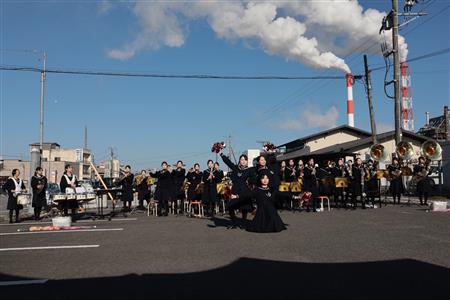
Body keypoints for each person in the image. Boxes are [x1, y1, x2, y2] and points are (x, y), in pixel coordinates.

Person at [220, 153, 255, 228]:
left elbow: (253, 178)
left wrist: (251, 182)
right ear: (239, 160)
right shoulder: (236, 168)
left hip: (244, 190)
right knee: (230, 206)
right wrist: (222, 154)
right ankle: (234, 221)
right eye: (241, 159)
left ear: (246, 161)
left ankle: (243, 222)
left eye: (244, 160)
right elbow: (228, 162)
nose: (242, 161)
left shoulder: (249, 170)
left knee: (244, 207)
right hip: (235, 190)